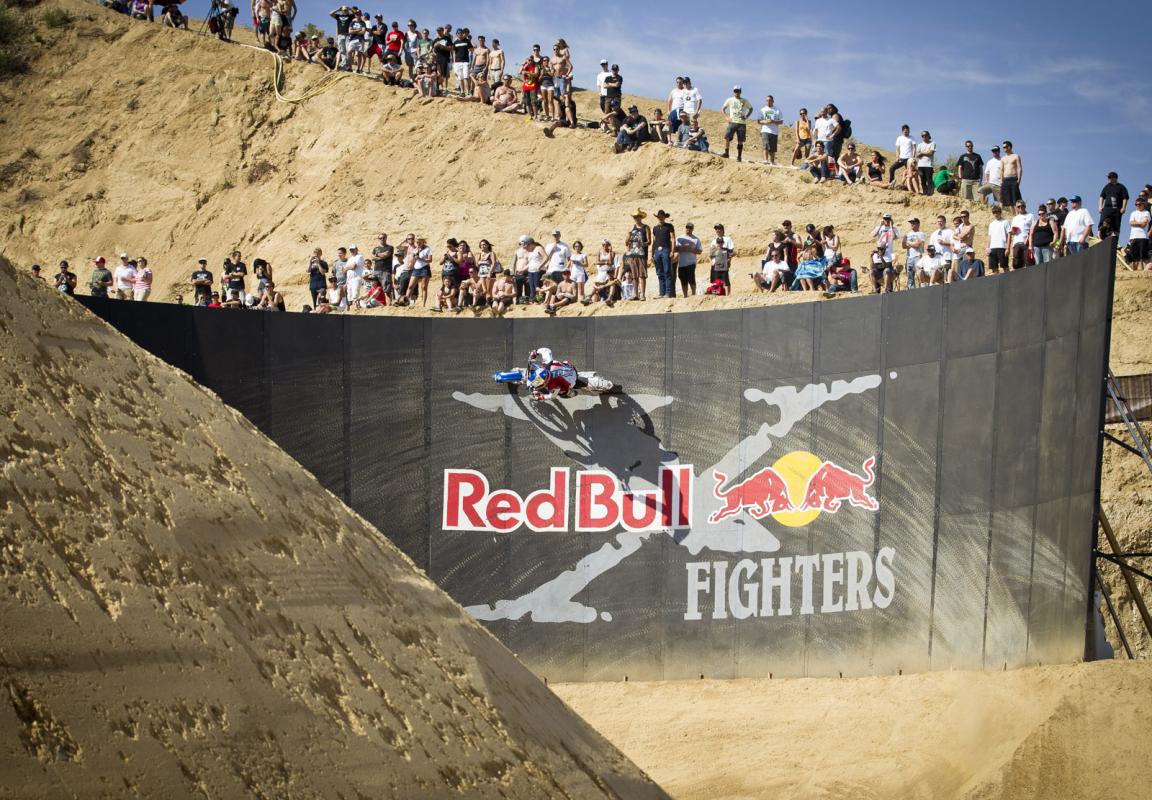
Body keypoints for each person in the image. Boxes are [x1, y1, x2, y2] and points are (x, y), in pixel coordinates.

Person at [623, 210, 652, 300]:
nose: (636, 218)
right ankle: (635, 294)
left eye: (638, 216)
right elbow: (626, 242)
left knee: (642, 275)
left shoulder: (646, 227)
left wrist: (642, 244)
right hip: (633, 254)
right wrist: (629, 234)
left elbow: (649, 241)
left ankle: (642, 294)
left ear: (641, 217)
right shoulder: (631, 228)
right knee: (634, 275)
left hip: (642, 254)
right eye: (635, 217)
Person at [720, 86, 753, 161]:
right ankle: (726, 153)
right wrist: (726, 117)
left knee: (740, 140)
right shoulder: (729, 100)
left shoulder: (745, 100)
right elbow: (723, 109)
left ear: (740, 92)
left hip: (742, 123)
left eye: (738, 91)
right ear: (733, 91)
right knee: (727, 137)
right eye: (735, 91)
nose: (736, 93)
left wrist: (747, 116)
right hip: (732, 122)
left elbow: (751, 108)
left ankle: (739, 156)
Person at [651, 210, 675, 299]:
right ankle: (661, 293)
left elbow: (673, 238)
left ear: (664, 217)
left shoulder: (669, 226)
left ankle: (668, 292)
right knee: (659, 272)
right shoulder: (655, 228)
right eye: (659, 216)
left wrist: (672, 251)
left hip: (665, 250)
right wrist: (652, 253)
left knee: (667, 271)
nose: (660, 218)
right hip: (657, 251)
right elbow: (654, 241)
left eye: (662, 216)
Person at [673, 222, 702, 297]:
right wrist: (681, 248)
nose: (688, 229)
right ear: (685, 228)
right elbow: (674, 249)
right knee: (683, 279)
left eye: (690, 228)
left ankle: (693, 294)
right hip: (681, 263)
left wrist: (691, 249)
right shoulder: (679, 238)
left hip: (691, 262)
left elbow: (699, 251)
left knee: (691, 278)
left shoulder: (696, 239)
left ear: (692, 229)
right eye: (687, 227)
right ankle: (685, 295)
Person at [1099, 172, 1129, 238]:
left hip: (1117, 209)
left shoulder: (1121, 187)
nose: (1108, 179)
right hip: (1107, 208)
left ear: (1114, 178)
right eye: (1108, 177)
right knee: (1102, 222)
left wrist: (1123, 208)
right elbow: (1102, 197)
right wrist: (1100, 206)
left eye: (1109, 177)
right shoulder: (1107, 186)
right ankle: (1099, 237)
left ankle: (1114, 240)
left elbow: (1125, 198)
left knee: (1116, 225)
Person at [758, 95, 783, 164]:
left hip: (774, 131)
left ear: (773, 101)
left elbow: (781, 121)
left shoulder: (777, 110)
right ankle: (765, 160)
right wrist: (765, 121)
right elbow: (758, 121)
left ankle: (772, 161)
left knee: (773, 148)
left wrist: (773, 121)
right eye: (767, 100)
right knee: (765, 145)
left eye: (770, 100)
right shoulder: (763, 110)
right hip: (765, 130)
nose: (768, 102)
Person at [1127, 197, 1151, 271]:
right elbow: (1131, 223)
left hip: (1143, 237)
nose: (1137, 206)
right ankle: (1134, 272)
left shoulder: (1146, 212)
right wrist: (1140, 223)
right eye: (1136, 204)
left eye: (1139, 204)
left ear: (1143, 204)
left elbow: (1144, 224)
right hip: (1133, 236)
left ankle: (1144, 272)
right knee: (1134, 257)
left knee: (1143, 257)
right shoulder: (1133, 213)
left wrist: (1136, 222)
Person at [902, 218, 925, 290]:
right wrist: (913, 244)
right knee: (910, 276)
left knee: (919, 274)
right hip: (909, 257)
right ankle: (912, 291)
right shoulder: (907, 234)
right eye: (911, 223)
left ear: (918, 224)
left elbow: (917, 245)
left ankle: (921, 290)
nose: (911, 224)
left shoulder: (921, 234)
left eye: (913, 223)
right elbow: (903, 245)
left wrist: (909, 243)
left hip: (918, 256)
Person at [1009, 202, 1034, 269]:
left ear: (1025, 206)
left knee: (1028, 263)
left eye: (1022, 206)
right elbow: (1012, 231)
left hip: (1026, 243)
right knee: (1016, 264)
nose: (1021, 208)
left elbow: (1033, 229)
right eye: (1018, 206)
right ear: (1016, 208)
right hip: (1016, 243)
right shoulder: (1015, 218)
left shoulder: (1030, 216)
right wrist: (1013, 232)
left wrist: (1028, 238)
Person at [999, 141, 1023, 208]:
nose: (1003, 149)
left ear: (1009, 147)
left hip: (1013, 179)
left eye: (1004, 147)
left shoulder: (1016, 156)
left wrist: (1019, 180)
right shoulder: (1003, 158)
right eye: (1003, 147)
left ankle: (1016, 216)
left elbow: (1019, 168)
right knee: (1003, 199)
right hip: (1005, 179)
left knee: (1015, 199)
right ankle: (1004, 215)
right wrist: (1001, 180)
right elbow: (1001, 170)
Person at [915, 130, 935, 195]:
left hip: (929, 165)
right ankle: (925, 193)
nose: (924, 137)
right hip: (920, 165)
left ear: (928, 136)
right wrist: (923, 153)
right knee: (922, 180)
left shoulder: (932, 143)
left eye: (925, 135)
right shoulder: (920, 145)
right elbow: (917, 155)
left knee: (929, 180)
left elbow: (931, 153)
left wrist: (922, 153)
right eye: (922, 136)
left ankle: (930, 194)